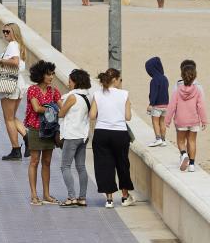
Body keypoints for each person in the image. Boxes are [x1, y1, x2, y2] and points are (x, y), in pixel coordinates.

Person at [90, 68, 135, 208]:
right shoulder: (124, 94)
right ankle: (125, 197)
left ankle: (109, 199)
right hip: (119, 133)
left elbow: (92, 116)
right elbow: (128, 117)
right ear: (115, 80)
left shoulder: (97, 94)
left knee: (104, 165)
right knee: (122, 164)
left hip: (101, 133)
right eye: (120, 79)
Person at [24, 60, 61, 206]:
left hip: (49, 130)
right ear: (41, 75)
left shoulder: (54, 91)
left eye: (52, 74)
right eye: (48, 74)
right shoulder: (33, 89)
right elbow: (36, 108)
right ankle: (34, 195)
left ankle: (46, 194)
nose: (51, 77)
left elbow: (62, 107)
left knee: (47, 162)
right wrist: (52, 109)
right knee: (34, 161)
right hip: (35, 129)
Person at [165, 61, 207, 172]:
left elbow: (172, 106)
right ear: (194, 76)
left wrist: (167, 120)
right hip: (194, 121)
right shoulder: (197, 90)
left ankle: (183, 154)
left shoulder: (178, 90)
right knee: (192, 141)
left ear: (182, 76)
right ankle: (192, 165)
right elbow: (201, 106)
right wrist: (204, 120)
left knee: (181, 141)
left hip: (181, 121)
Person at [59, 69, 92, 207]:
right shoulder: (88, 96)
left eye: (70, 81)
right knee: (81, 167)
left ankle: (71, 197)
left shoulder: (72, 97)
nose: (68, 83)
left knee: (65, 166)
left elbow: (61, 113)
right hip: (83, 135)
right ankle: (82, 198)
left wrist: (59, 103)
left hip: (71, 135)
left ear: (76, 82)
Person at [0, 23, 29, 160]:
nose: (5, 34)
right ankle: (28, 140)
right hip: (18, 82)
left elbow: (15, 62)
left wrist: (0, 61)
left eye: (7, 32)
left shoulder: (12, 45)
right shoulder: (19, 45)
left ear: (14, 32)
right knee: (12, 117)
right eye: (3, 31)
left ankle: (16, 149)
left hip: (10, 82)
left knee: (8, 119)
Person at [145, 57, 170, 147]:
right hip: (166, 105)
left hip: (157, 105)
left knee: (155, 121)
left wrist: (151, 104)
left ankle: (158, 139)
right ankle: (163, 140)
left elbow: (154, 93)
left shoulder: (154, 80)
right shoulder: (165, 78)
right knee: (162, 122)